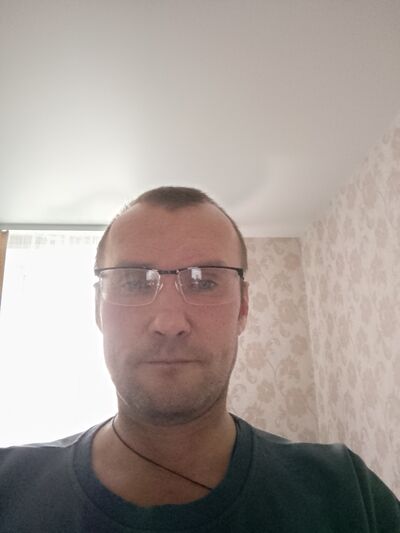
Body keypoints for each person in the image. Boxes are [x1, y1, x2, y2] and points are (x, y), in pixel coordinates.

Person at [0, 186, 399, 532]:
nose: (169, 323)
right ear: (97, 309)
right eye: (133, 282)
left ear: (243, 308)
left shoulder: (346, 492)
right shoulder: (8, 487)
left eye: (205, 281)